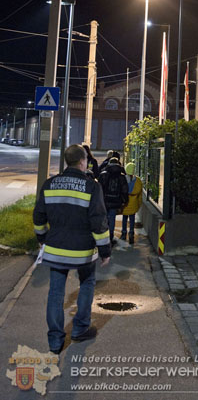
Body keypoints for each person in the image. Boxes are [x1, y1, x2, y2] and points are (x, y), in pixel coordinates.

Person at [33, 144, 111, 354]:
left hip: (56, 249)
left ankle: (55, 341)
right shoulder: (91, 187)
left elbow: (39, 216)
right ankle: (79, 329)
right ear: (82, 161)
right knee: (87, 283)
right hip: (83, 252)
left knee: (56, 293)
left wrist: (41, 238)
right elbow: (98, 222)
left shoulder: (50, 184)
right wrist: (105, 251)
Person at [98, 156, 129, 244]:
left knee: (104, 218)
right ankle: (111, 236)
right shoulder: (121, 176)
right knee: (112, 218)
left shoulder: (103, 174)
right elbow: (124, 190)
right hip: (116, 201)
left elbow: (99, 188)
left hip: (104, 200)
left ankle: (104, 236)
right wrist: (125, 201)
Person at [121, 162, 143, 244]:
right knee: (132, 219)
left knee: (124, 218)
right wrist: (139, 203)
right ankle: (131, 234)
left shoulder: (122, 179)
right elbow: (140, 194)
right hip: (133, 204)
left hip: (125, 203)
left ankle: (123, 233)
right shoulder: (138, 181)